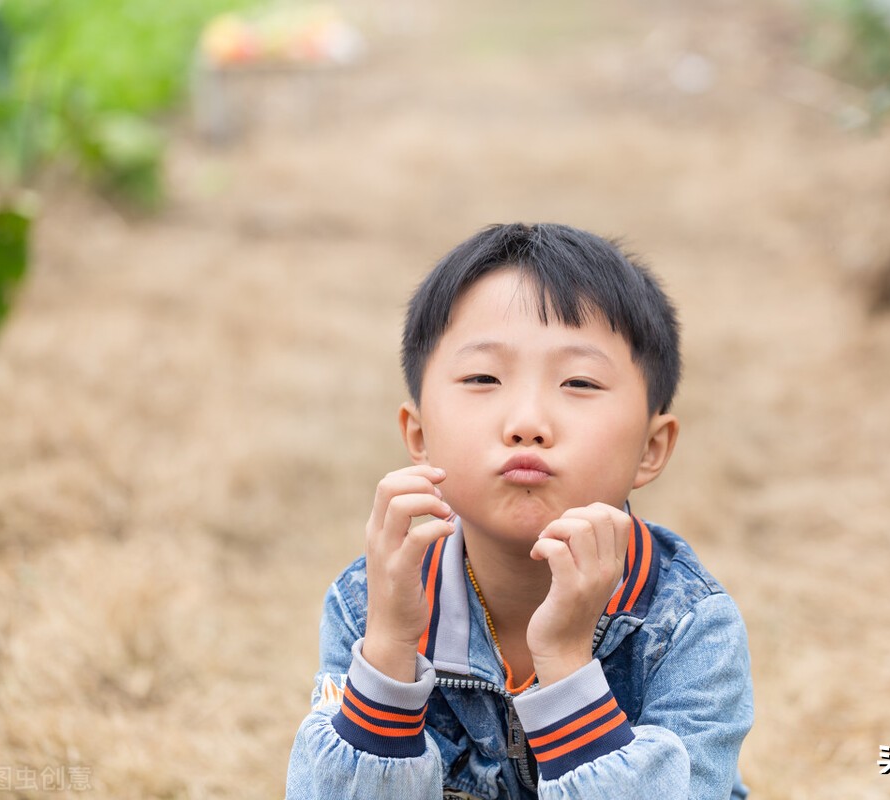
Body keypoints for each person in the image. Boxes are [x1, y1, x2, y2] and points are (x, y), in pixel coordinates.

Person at [286, 223, 754, 799]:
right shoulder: (368, 603)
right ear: (418, 433)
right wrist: (388, 649)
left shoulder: (685, 626)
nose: (527, 422)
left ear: (651, 449)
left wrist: (564, 664)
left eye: (579, 382)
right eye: (483, 377)